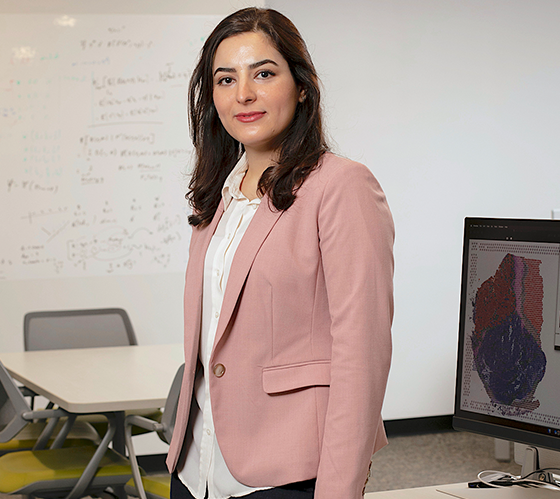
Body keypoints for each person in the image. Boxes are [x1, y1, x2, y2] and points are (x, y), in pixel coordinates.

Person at [165, 7, 395, 498]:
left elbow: (362, 354)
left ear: (302, 86)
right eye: (225, 80)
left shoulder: (341, 186)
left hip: (287, 473)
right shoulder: (217, 196)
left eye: (263, 74)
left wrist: (338, 490)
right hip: (195, 468)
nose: (243, 94)